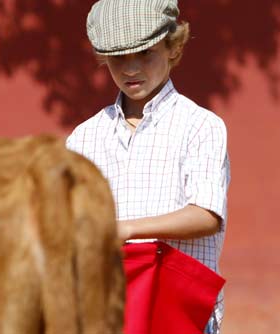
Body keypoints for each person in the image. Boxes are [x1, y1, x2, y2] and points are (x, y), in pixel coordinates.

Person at [66, 0, 230, 333]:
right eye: (119, 58)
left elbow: (206, 215)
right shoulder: (83, 137)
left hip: (180, 312)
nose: (130, 69)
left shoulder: (200, 125)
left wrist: (126, 229)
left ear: (172, 47)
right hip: (106, 311)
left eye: (145, 54)